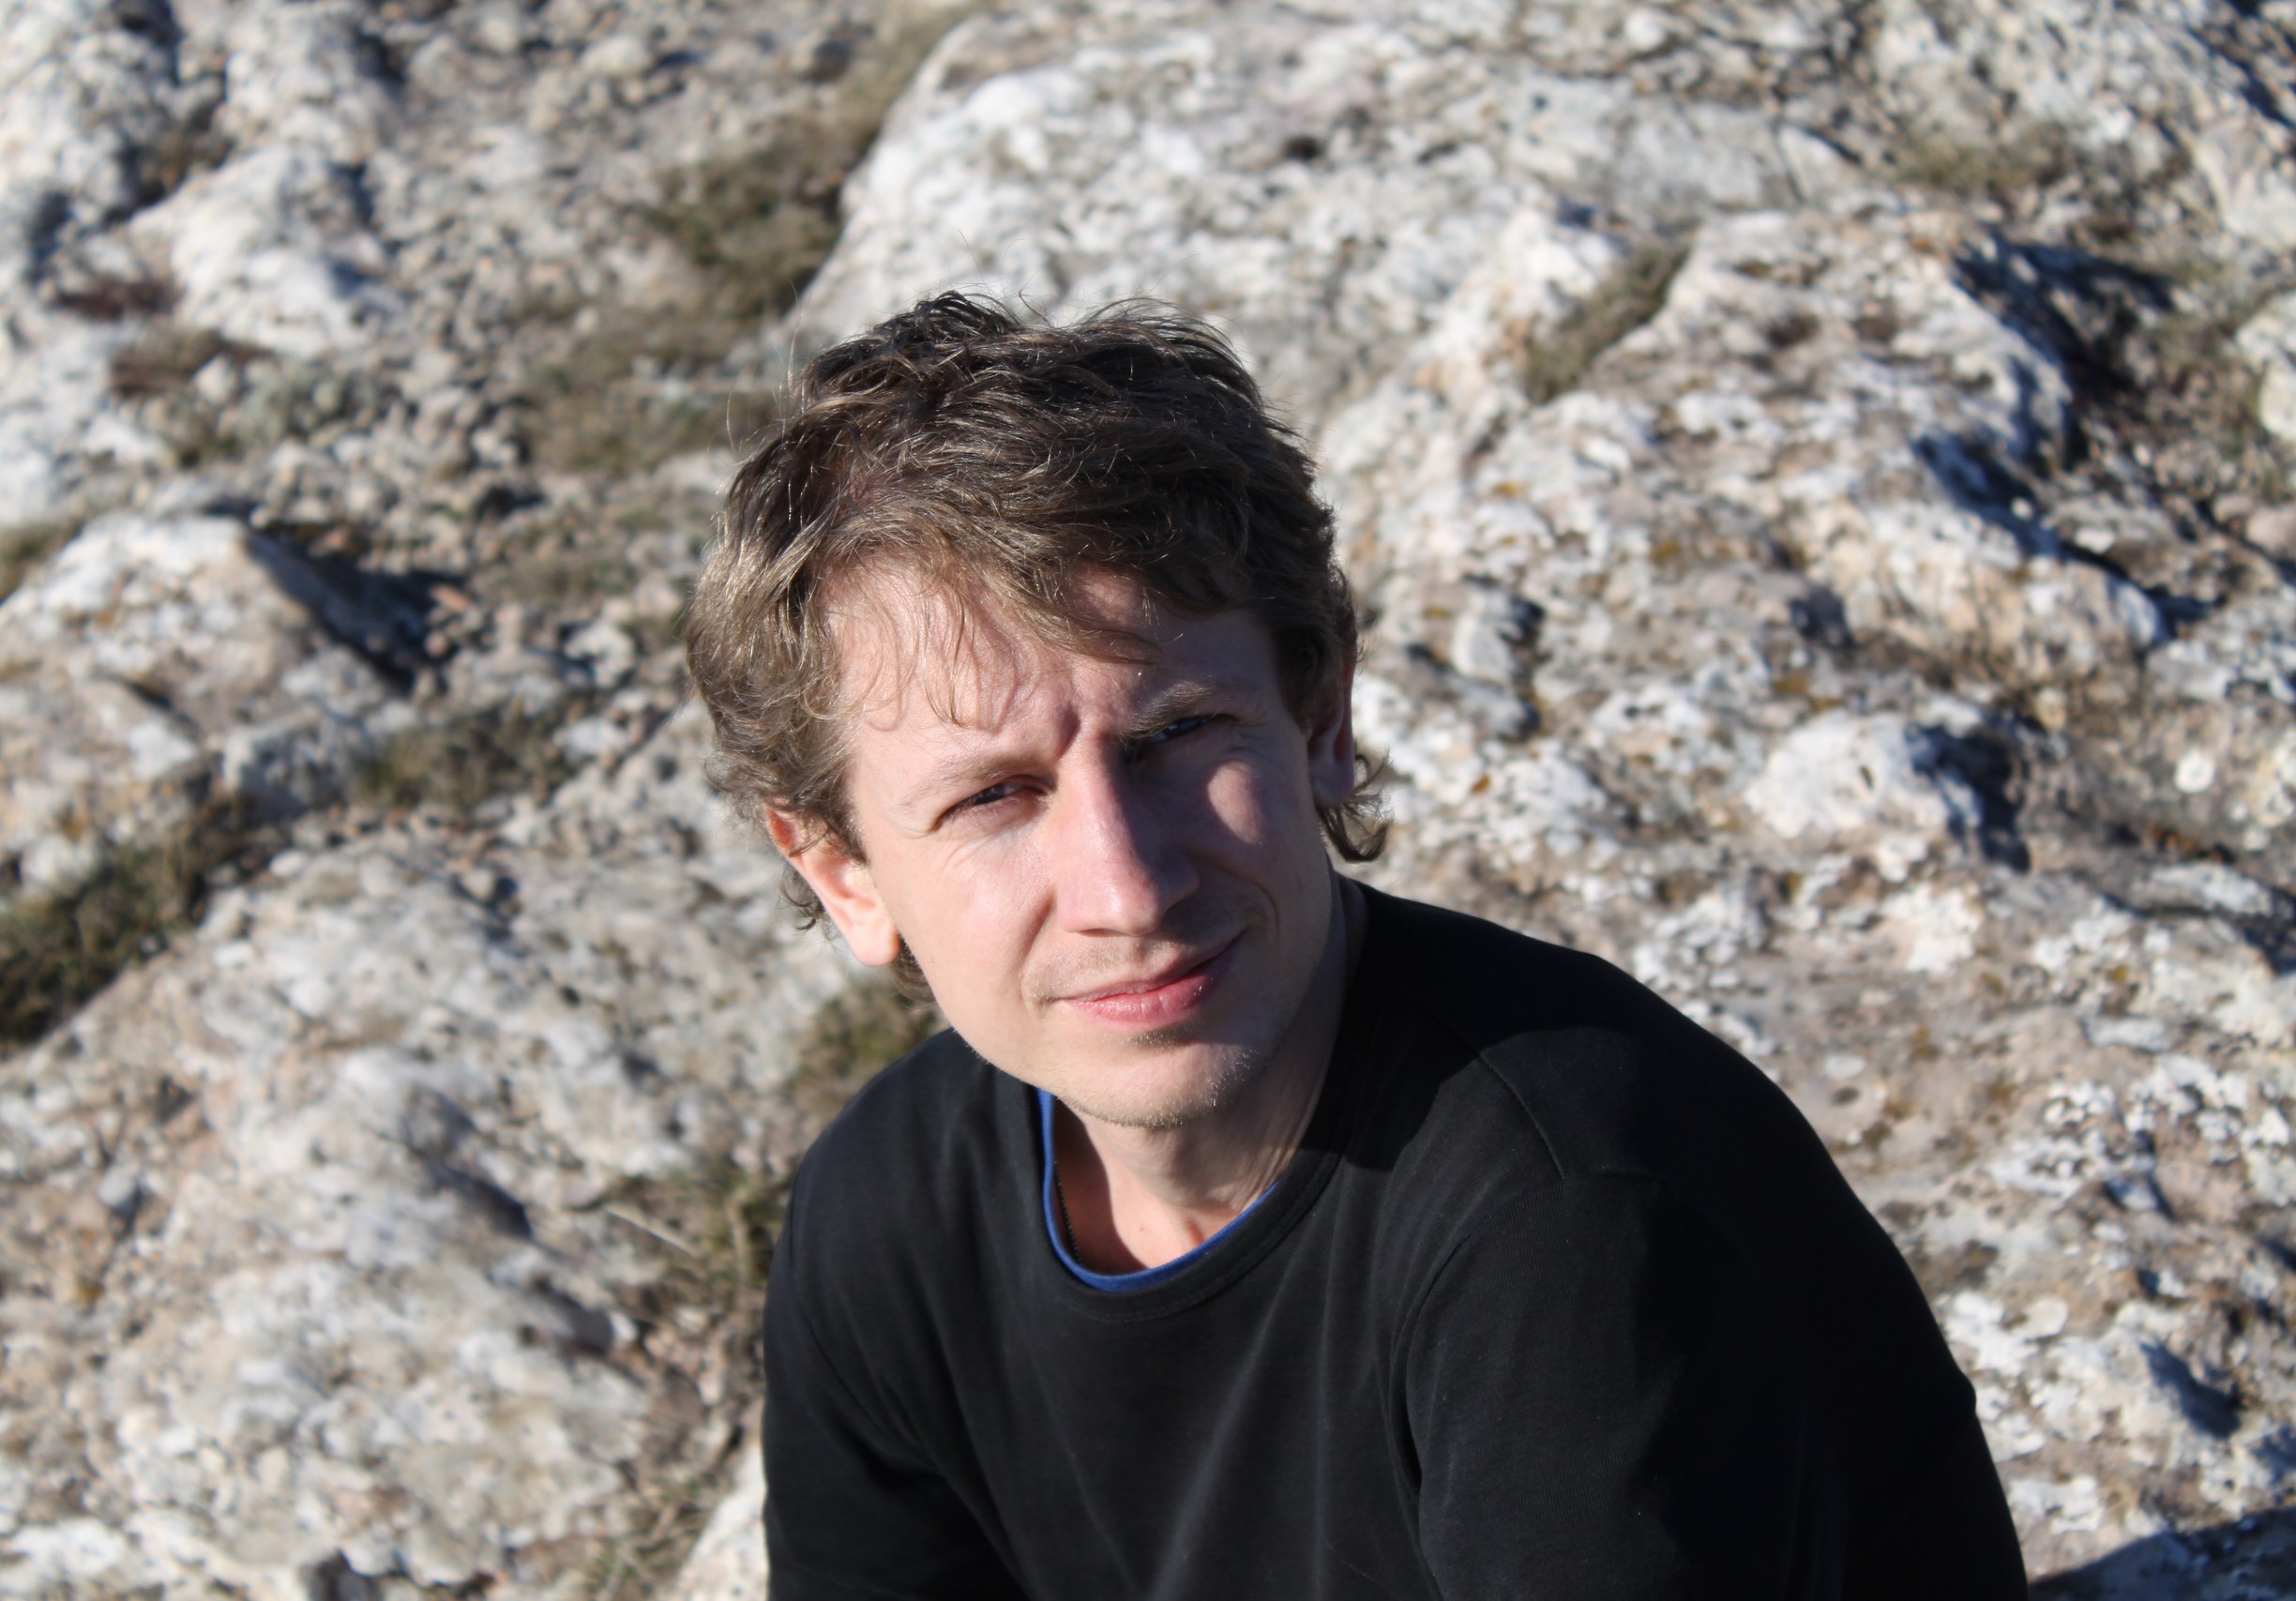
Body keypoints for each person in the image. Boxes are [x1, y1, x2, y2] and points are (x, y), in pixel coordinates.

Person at [683, 293, 2026, 1600]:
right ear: (844, 872)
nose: (1127, 888)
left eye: (1175, 736)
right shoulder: (890, 1224)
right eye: (994, 797)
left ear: (1321, 717)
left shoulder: (1570, 1222)